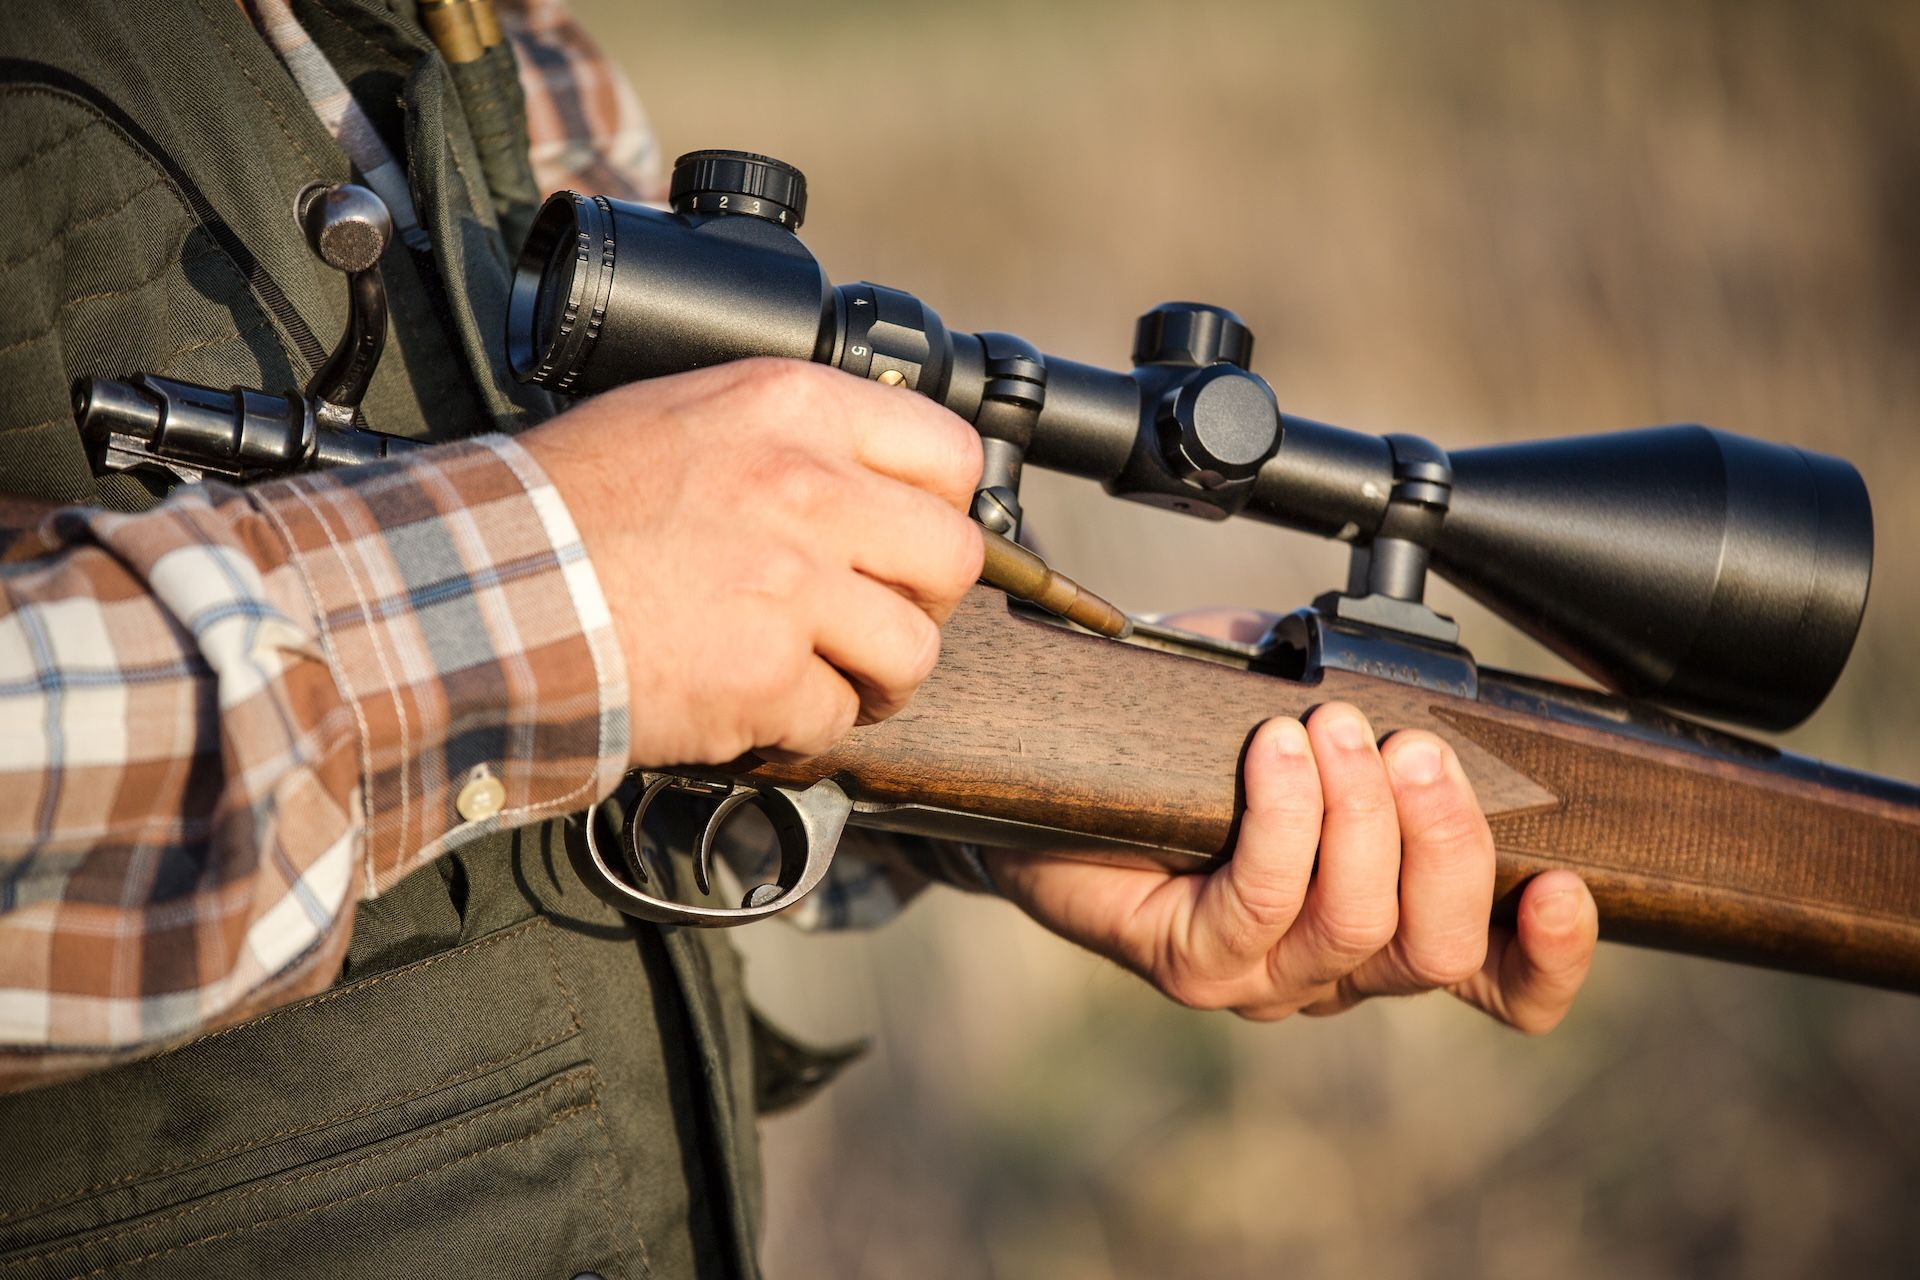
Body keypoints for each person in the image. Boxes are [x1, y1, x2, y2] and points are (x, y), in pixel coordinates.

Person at [0, 1, 1599, 1275]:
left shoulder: (473, 26)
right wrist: (568, 589)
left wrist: (1040, 773)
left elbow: (651, 642)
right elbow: (585, 576)